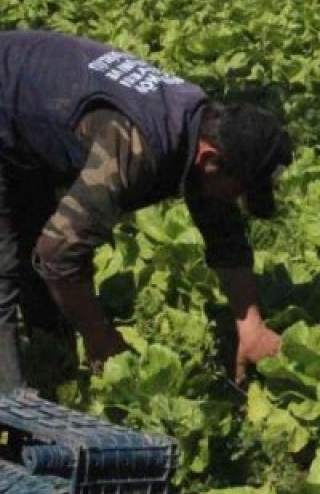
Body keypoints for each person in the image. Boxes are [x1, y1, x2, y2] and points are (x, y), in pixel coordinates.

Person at [0, 30, 292, 390]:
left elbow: (225, 233)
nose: (239, 201)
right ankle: (13, 413)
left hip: (25, 104)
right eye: (242, 190)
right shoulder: (135, 146)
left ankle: (52, 370)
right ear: (211, 160)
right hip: (8, 88)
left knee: (33, 232)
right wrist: (99, 337)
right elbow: (58, 253)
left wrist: (251, 327)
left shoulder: (203, 130)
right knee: (4, 270)